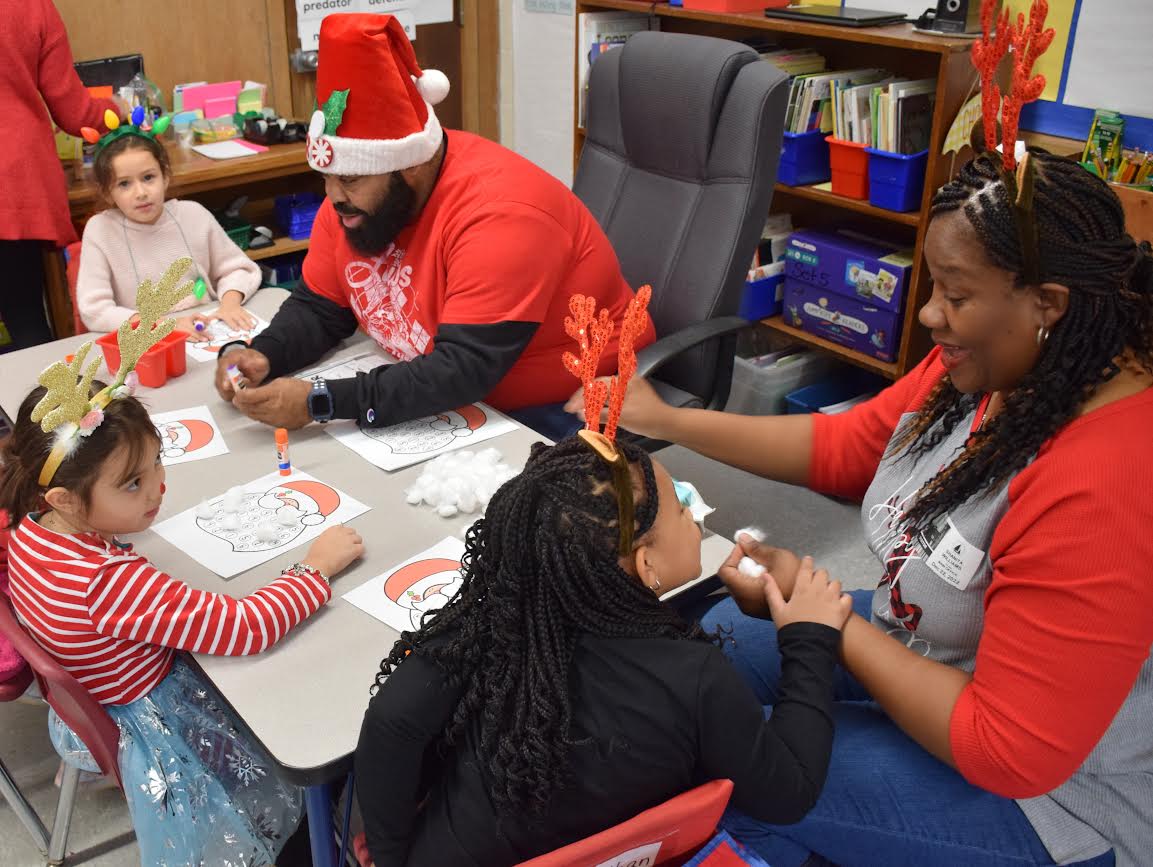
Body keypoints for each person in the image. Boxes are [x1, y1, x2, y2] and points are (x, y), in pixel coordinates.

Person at [568, 144, 1153, 865]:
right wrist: (668, 420)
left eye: (956, 294)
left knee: (747, 774)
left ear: (1047, 304)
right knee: (710, 646)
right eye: (933, 284)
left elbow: (1009, 750)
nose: (931, 314)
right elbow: (847, 446)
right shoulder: (1001, 364)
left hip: (1051, 798)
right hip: (931, 649)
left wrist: (830, 627)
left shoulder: (1104, 483)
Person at [355, 434, 853, 866]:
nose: (690, 508)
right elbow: (789, 793)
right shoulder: (695, 677)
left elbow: (392, 720)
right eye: (680, 507)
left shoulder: (491, 617)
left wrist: (394, 856)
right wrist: (809, 639)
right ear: (646, 562)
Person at [213, 13, 652, 441]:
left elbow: (465, 369)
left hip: (563, 397)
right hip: (452, 389)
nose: (332, 197)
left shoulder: (502, 215)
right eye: (325, 178)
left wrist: (322, 402)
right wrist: (263, 353)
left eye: (349, 179)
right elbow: (321, 307)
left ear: (412, 166)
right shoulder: (353, 202)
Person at [0, 369, 364, 864]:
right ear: (64, 498)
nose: (158, 489)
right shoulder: (107, 583)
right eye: (133, 483)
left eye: (157, 463)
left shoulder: (32, 529)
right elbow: (246, 627)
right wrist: (316, 568)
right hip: (163, 726)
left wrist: (122, 506)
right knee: (308, 714)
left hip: (98, 698)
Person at [0, 0, 123, 348]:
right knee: (25, 320)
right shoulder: (30, 6)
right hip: (13, 183)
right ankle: (47, 404)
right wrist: (117, 110)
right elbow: (75, 113)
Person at [76, 131, 261, 336]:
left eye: (148, 177)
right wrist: (164, 325)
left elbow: (238, 269)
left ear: (165, 177)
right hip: (145, 341)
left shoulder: (193, 214)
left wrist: (230, 304)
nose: (141, 193)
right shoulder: (100, 230)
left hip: (203, 329)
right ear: (107, 192)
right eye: (124, 183)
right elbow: (95, 310)